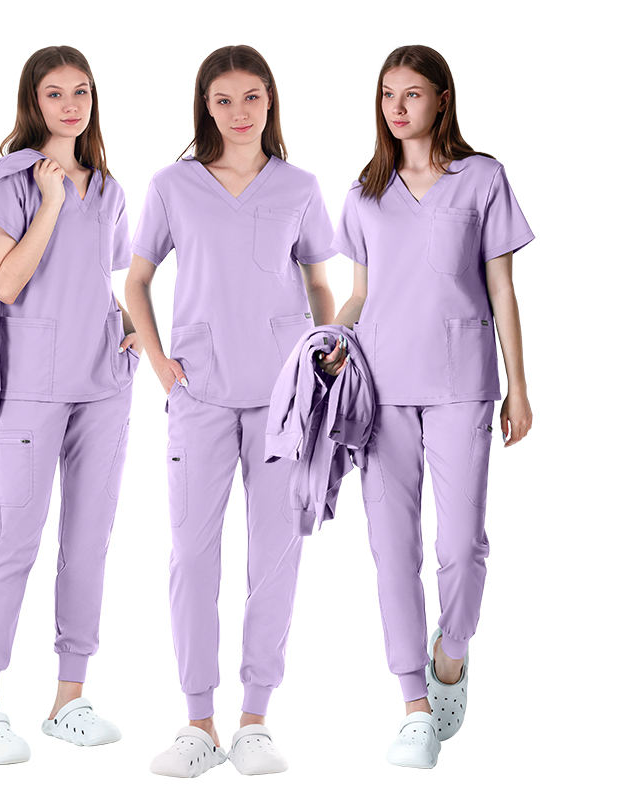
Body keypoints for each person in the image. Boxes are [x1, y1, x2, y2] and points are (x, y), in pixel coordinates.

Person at [125, 44, 339, 777]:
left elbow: (319, 284)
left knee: (275, 554)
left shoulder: (300, 186)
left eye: (252, 97)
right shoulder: (172, 186)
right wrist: (160, 364)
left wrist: (327, 352)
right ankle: (197, 721)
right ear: (205, 107)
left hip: (284, 398)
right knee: (192, 554)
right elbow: (137, 281)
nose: (239, 112)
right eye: (224, 100)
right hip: (200, 394)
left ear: (270, 101)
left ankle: (254, 720)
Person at [329, 44, 534, 769]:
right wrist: (333, 341)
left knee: (461, 545)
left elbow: (502, 286)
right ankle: (414, 704)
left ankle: (452, 652)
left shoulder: (482, 179)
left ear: (442, 98)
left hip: (461, 382)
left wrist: (519, 385)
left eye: (411, 93)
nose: (397, 106)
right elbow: (361, 292)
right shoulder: (364, 193)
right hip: (381, 389)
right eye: (388, 93)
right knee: (392, 547)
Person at [0, 45, 140, 765]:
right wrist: (51, 202)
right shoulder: (12, 182)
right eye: (55, 92)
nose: (70, 105)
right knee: (15, 543)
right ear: (33, 101)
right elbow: (5, 281)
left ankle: (69, 699)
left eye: (81, 91)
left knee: (88, 543)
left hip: (103, 385)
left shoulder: (110, 189)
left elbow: (96, 280)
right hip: (31, 384)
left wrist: (130, 332)